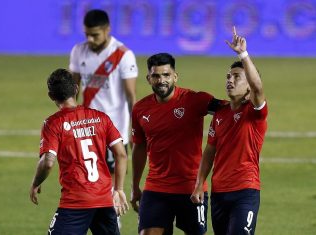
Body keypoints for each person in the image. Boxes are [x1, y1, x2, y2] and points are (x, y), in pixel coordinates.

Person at [130, 53, 223, 235]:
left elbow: (228, 109)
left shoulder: (194, 100)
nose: (161, 80)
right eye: (156, 76)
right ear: (148, 79)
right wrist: (134, 186)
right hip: (156, 187)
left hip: (191, 187)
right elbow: (139, 147)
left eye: (166, 75)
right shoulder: (140, 109)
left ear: (175, 76)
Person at [29, 69, 129, 235]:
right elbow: (121, 154)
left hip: (75, 202)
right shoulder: (100, 117)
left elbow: (47, 162)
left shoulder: (53, 123)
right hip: (104, 200)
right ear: (76, 89)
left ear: (51, 96)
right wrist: (118, 189)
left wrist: (35, 182)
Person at [191, 26, 268, 235]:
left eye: (236, 77)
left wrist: (243, 54)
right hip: (219, 193)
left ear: (248, 87)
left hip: (245, 190)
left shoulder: (254, 113)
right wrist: (199, 184)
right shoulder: (220, 114)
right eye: (228, 76)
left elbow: (258, 87)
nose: (230, 80)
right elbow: (209, 151)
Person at [69, 9, 138, 180]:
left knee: (113, 183)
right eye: (87, 35)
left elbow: (131, 96)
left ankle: (111, 208)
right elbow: (73, 90)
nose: (90, 39)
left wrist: (135, 129)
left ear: (107, 30)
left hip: (115, 129)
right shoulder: (78, 51)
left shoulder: (123, 55)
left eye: (95, 35)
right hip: (87, 127)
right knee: (87, 179)